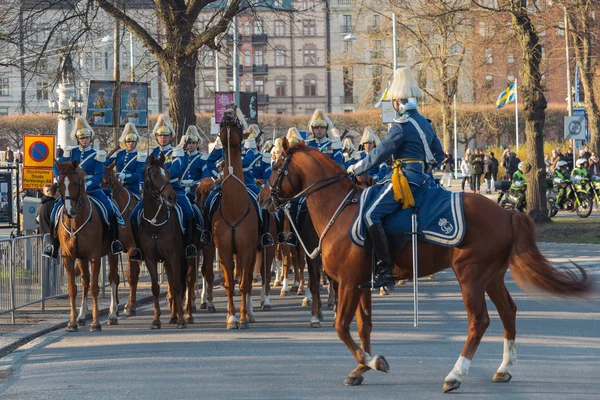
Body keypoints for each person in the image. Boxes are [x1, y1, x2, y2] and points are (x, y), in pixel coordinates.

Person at [346, 67, 444, 289]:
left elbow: (379, 154)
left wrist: (356, 167)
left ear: (396, 103)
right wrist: (424, 170)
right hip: (422, 178)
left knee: (371, 215)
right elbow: (439, 154)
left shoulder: (400, 126)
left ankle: (385, 268)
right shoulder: (426, 124)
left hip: (404, 180)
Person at [44, 116, 125, 258]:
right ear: (77, 139)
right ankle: (53, 245)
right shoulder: (71, 152)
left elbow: (99, 176)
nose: (85, 140)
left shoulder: (97, 155)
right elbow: (56, 166)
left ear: (90, 139)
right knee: (54, 213)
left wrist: (86, 185)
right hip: (73, 191)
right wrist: (59, 178)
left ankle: (114, 242)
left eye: (87, 138)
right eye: (82, 138)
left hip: (92, 190)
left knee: (110, 210)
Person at [130, 114, 203, 261]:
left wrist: (161, 175)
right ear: (156, 137)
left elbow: (177, 169)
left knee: (189, 213)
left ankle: (189, 245)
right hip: (154, 194)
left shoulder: (177, 151)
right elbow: (142, 171)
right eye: (160, 135)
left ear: (171, 136)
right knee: (134, 216)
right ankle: (139, 249)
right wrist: (140, 185)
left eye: (166, 135)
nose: (163, 138)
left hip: (174, 190)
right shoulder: (151, 153)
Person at [105, 122, 146, 199]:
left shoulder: (140, 156)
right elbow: (105, 164)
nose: (131, 144)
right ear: (125, 143)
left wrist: (126, 176)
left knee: (139, 207)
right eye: (128, 142)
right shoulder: (119, 154)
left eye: (133, 142)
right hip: (117, 187)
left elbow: (138, 175)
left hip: (133, 188)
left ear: (136, 142)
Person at [179, 125, 208, 197]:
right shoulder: (180, 157)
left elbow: (206, 173)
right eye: (189, 143)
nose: (191, 145)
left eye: (193, 143)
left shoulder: (202, 158)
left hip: (196, 190)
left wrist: (200, 184)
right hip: (180, 189)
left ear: (197, 144)